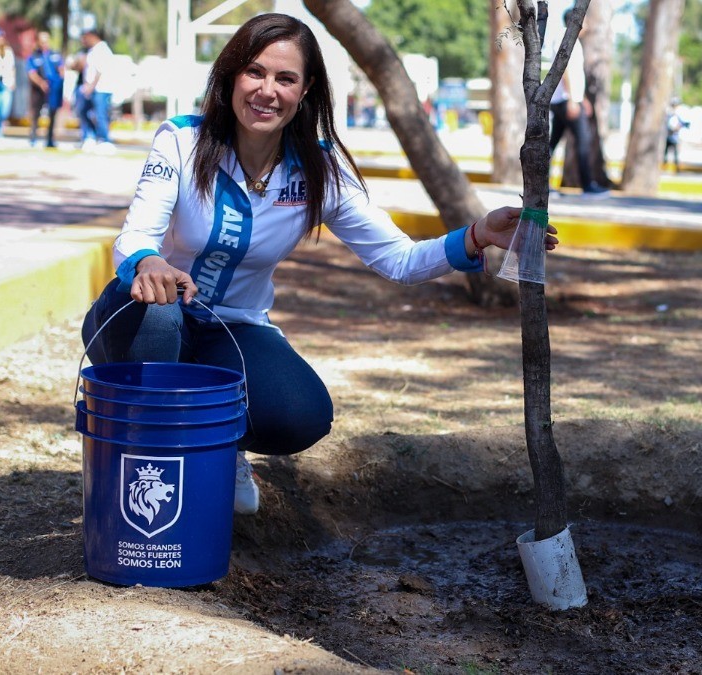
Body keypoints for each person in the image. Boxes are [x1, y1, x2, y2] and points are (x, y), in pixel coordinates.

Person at [79, 13, 555, 516]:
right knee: (163, 313)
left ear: (305, 91)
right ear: (230, 76)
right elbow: (134, 237)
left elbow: (398, 259)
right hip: (136, 319)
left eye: (285, 79)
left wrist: (478, 235)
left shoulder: (320, 171)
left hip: (231, 329)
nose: (267, 91)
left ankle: (223, 443)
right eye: (255, 72)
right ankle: (146, 469)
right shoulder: (180, 141)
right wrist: (150, 261)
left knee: (300, 414)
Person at [549, 10, 609, 197]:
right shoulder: (566, 39)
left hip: (567, 99)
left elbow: (575, 75)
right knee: (583, 141)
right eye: (586, 21)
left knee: (552, 144)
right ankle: (587, 186)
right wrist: (572, 100)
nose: (588, 25)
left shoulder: (571, 40)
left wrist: (581, 99)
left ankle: (542, 186)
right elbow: (563, 69)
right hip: (566, 100)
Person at [26, 31, 64, 148]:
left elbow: (61, 69)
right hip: (38, 89)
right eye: (42, 41)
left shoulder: (55, 55)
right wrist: (41, 83)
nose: (44, 44)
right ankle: (33, 138)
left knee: (53, 113)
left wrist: (59, 82)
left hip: (54, 88)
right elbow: (31, 73)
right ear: (38, 42)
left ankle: (50, 140)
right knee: (36, 113)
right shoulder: (33, 57)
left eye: (46, 41)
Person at [80, 29, 116, 152]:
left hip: (101, 88)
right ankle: (91, 137)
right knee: (84, 111)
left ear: (92, 36)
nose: (83, 41)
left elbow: (99, 70)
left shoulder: (102, 50)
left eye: (85, 38)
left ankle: (105, 140)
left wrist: (90, 86)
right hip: (92, 88)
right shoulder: (93, 50)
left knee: (100, 115)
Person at [663, 101, 687, 171]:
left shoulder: (678, 116)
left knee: (675, 154)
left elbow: (682, 124)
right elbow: (666, 125)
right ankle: (665, 166)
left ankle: (677, 167)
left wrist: (678, 127)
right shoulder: (669, 115)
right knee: (666, 154)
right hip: (669, 137)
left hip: (675, 138)